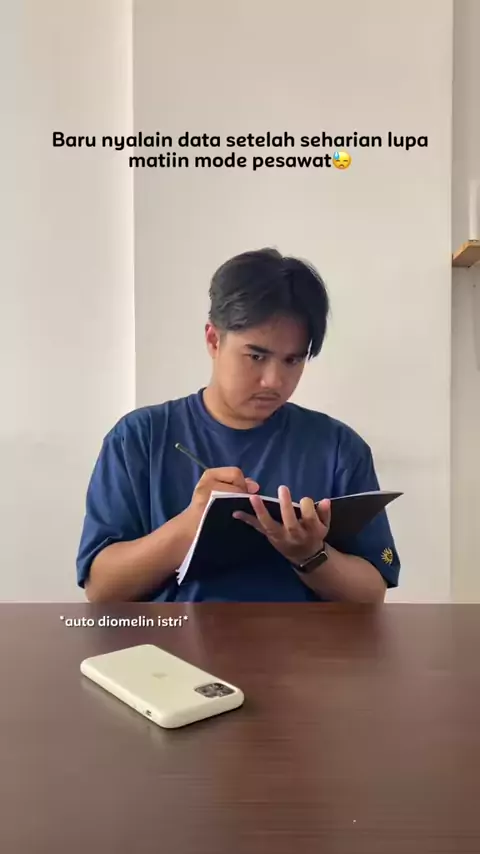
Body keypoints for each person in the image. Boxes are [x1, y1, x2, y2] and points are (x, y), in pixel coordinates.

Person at [76, 247, 400, 603]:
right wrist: (191, 523)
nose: (274, 381)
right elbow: (102, 589)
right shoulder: (139, 437)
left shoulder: (338, 448)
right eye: (256, 356)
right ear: (213, 340)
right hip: (171, 638)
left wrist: (310, 555)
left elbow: (371, 594)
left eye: (292, 360)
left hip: (300, 639)